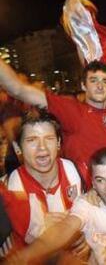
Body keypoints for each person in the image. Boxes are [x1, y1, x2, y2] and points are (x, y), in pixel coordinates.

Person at [0, 59, 106, 188]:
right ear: (83, 85)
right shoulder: (73, 111)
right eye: (93, 80)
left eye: (105, 81)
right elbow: (19, 89)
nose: (100, 86)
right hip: (82, 194)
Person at [1, 111, 84, 259]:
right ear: (17, 148)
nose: (42, 148)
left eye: (49, 138)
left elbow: (96, 210)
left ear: (58, 143)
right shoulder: (7, 194)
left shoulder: (77, 171)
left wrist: (87, 234)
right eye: (32, 140)